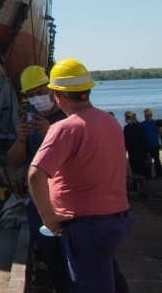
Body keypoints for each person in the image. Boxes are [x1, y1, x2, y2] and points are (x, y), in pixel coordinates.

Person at [29, 59, 133, 293]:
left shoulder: (66, 128)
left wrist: (48, 217)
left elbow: (35, 175)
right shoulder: (110, 122)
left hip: (87, 228)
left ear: (57, 95)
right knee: (112, 281)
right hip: (116, 220)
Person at [7, 66, 70, 293]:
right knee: (48, 249)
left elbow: (77, 158)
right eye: (31, 95)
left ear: (53, 91)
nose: (37, 98)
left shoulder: (67, 117)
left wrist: (49, 133)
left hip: (66, 197)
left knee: (72, 252)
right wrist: (21, 140)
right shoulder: (28, 118)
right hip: (38, 199)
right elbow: (14, 162)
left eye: (41, 92)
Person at [123, 111, 149, 182]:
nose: (127, 118)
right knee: (133, 168)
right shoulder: (126, 128)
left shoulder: (138, 127)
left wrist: (146, 152)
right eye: (126, 117)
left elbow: (143, 140)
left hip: (140, 151)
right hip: (131, 152)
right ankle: (136, 183)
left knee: (141, 168)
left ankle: (143, 184)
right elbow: (125, 140)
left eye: (129, 117)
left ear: (132, 117)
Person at [140, 108, 161, 178]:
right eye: (146, 115)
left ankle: (159, 174)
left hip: (155, 145)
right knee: (147, 161)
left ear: (151, 115)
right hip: (146, 146)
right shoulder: (142, 124)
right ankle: (148, 175)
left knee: (156, 160)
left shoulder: (155, 123)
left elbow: (160, 133)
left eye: (148, 115)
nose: (147, 116)